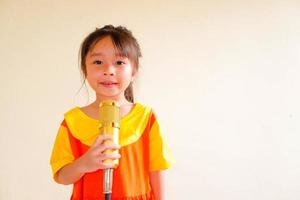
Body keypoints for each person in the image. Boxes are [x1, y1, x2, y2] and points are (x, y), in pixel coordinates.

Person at [50, 25, 173, 200]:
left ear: (134, 72)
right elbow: (61, 176)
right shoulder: (72, 121)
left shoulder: (145, 118)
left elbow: (156, 169)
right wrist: (84, 164)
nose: (109, 70)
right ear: (85, 69)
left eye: (119, 62)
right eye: (98, 62)